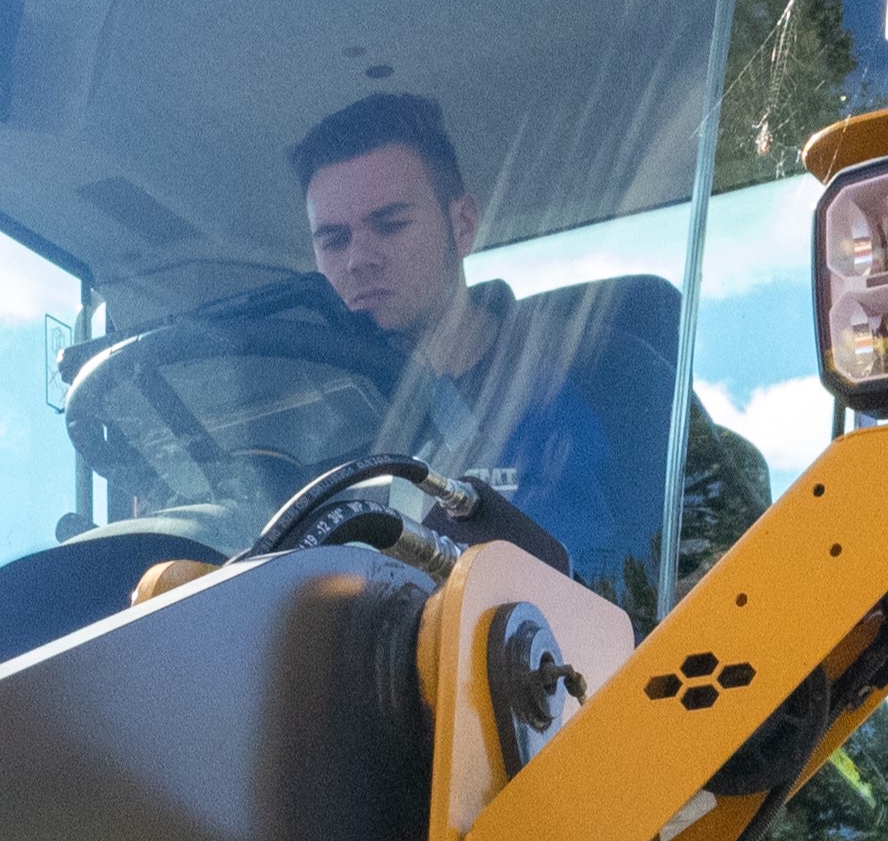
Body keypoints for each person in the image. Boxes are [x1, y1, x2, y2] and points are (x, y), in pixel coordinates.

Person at [280, 91, 749, 591]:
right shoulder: (336, 458)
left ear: (462, 226)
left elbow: (730, 561)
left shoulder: (609, 376)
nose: (358, 258)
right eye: (333, 240)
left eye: (390, 224)